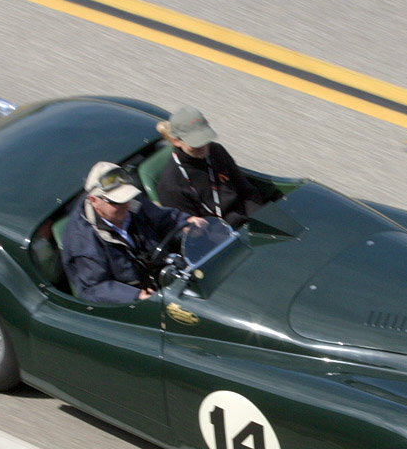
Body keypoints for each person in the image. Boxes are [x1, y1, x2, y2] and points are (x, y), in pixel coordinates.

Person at [62, 161, 203, 303]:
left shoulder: (132, 203)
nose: (126, 205)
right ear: (94, 200)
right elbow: (94, 287)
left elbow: (162, 218)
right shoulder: (82, 241)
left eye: (127, 198)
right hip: (136, 303)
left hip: (168, 277)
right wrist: (135, 296)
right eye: (117, 202)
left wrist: (186, 224)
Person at [155, 106, 262, 227]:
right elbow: (191, 231)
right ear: (177, 141)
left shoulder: (216, 150)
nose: (203, 145)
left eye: (204, 138)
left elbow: (247, 191)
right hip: (220, 237)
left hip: (248, 221)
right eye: (195, 142)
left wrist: (258, 222)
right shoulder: (171, 185)